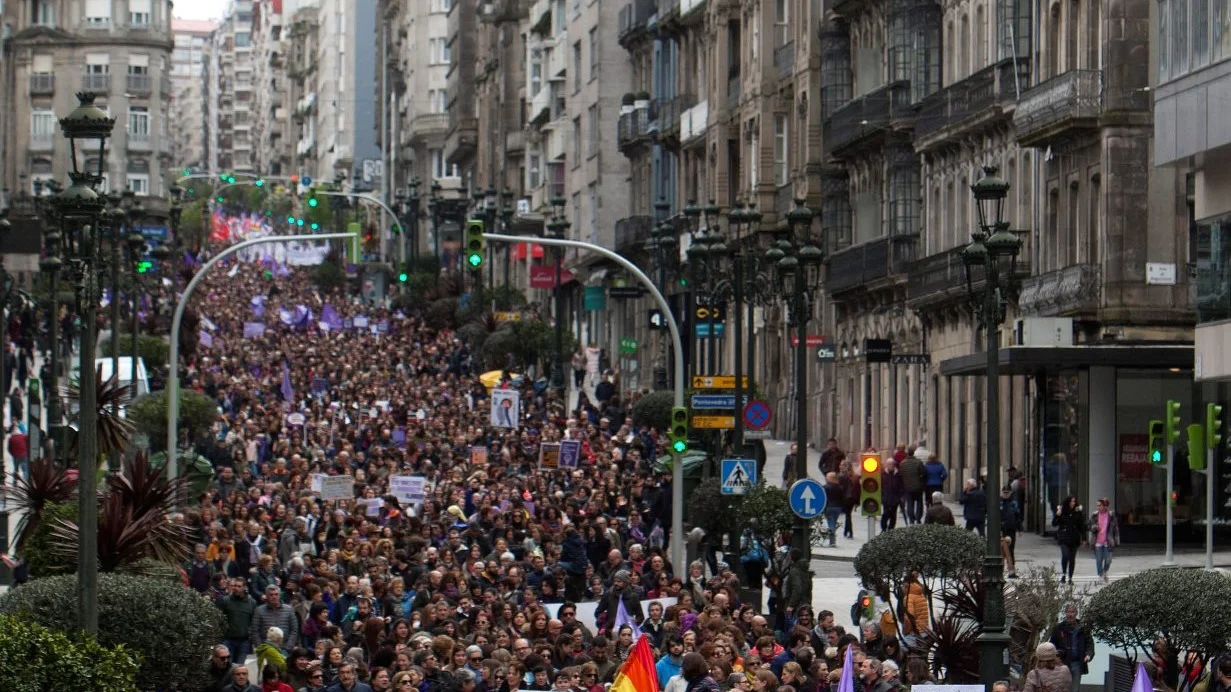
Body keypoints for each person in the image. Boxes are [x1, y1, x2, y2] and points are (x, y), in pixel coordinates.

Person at [1049, 604, 1094, 692]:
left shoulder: (1083, 627)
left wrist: (1089, 654)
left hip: (1077, 663)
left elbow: (1090, 643)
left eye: (1072, 612)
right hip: (1062, 663)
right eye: (1068, 612)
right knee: (1061, 688)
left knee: (1074, 689)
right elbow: (1052, 644)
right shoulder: (1059, 627)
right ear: (1065, 613)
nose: (1070, 614)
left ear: (1076, 613)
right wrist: (1055, 656)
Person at [1053, 496, 1086, 583]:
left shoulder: (1077, 512)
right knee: (1065, 555)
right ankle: (1064, 574)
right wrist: (1057, 514)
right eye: (1071, 501)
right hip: (1064, 537)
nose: (1073, 503)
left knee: (1072, 558)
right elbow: (1054, 523)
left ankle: (1070, 577)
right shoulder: (1062, 511)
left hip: (1074, 538)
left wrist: (1084, 538)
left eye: (1074, 501)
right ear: (1068, 502)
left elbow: (1081, 525)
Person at [1089, 497, 1119, 582]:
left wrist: (1116, 540)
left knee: (1108, 560)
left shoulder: (1111, 516)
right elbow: (1089, 526)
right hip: (1098, 541)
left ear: (1105, 506)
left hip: (1108, 541)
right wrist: (1094, 527)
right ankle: (1101, 575)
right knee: (1099, 560)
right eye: (1097, 506)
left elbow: (1116, 529)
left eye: (1100, 505)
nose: (1098, 507)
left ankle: (1105, 571)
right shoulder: (1094, 515)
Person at [898, 452, 926, 525]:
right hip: (918, 486)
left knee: (910, 503)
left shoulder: (902, 463)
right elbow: (923, 472)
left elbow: (900, 474)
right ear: (913, 453)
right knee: (919, 502)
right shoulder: (918, 462)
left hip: (907, 486)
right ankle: (918, 518)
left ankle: (911, 519)